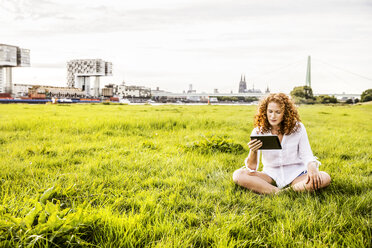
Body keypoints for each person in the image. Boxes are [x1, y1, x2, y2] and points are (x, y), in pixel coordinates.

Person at [232, 93, 331, 194]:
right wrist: (253, 151)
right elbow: (252, 168)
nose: (272, 116)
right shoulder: (259, 131)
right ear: (265, 111)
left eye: (278, 112)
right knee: (238, 174)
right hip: (270, 176)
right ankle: (280, 192)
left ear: (285, 113)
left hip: (297, 175)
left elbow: (306, 154)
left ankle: (281, 193)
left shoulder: (298, 128)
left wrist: (312, 167)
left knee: (325, 177)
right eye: (270, 111)